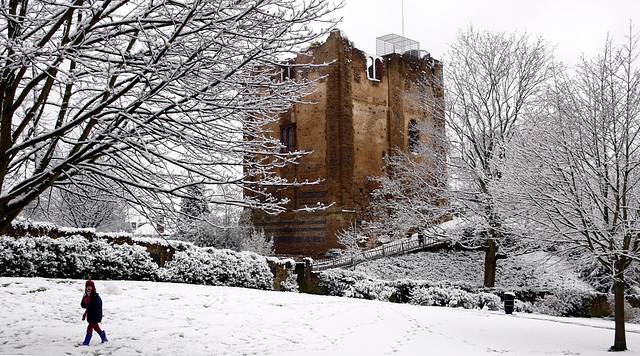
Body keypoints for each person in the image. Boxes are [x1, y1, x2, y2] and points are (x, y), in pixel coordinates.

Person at [80, 280, 107, 346]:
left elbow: (97, 305)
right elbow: (83, 305)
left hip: (96, 316)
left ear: (93, 287)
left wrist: (89, 302)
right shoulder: (86, 296)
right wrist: (85, 302)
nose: (89, 288)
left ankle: (86, 342)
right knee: (97, 328)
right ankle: (104, 338)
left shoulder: (95, 296)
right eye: (87, 286)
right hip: (91, 316)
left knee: (90, 328)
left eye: (90, 286)